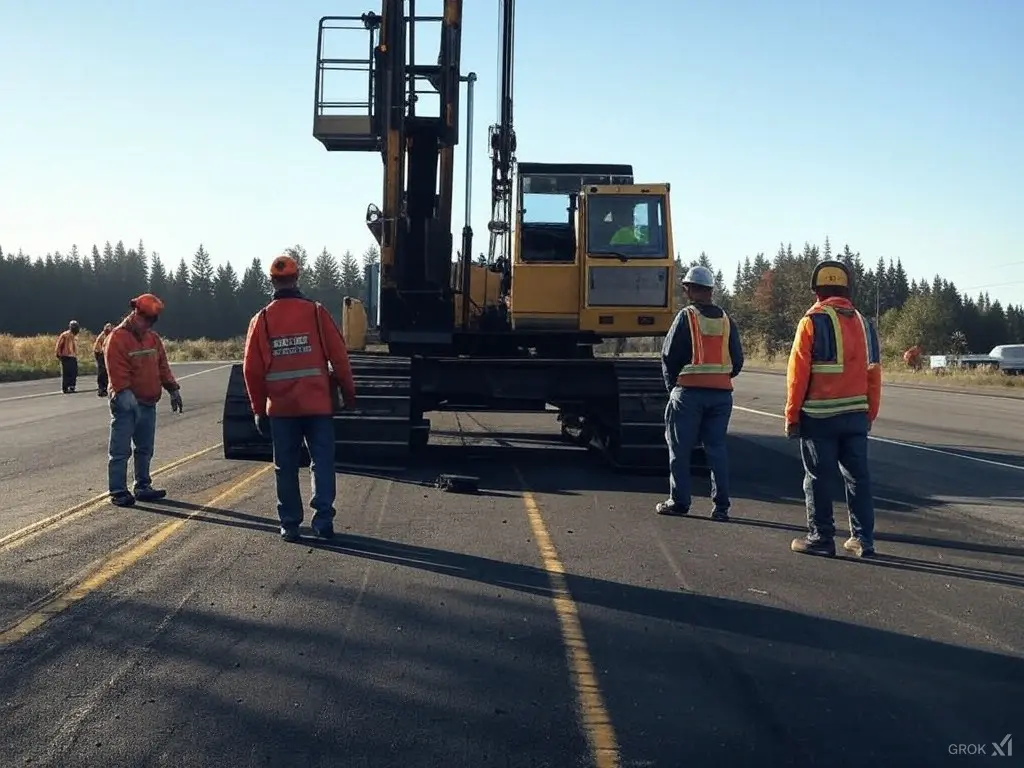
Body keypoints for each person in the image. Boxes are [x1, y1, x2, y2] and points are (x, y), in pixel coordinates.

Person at [242, 253, 357, 543]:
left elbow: (251, 370)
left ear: (272, 282)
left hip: (281, 409)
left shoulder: (262, 319)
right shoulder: (316, 313)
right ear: (297, 278)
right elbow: (340, 358)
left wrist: (258, 409)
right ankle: (323, 520)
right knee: (322, 461)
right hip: (317, 405)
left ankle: (290, 524)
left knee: (285, 466)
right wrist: (349, 393)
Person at [785, 259, 882, 558]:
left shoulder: (811, 321)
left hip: (819, 418)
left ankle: (821, 538)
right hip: (855, 415)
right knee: (858, 478)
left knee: (817, 478)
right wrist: (869, 414)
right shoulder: (865, 325)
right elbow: (874, 374)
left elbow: (797, 375)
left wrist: (792, 415)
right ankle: (863, 540)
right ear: (846, 290)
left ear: (817, 291)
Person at [656, 265, 743, 520]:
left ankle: (680, 501)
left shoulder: (687, 317)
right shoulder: (727, 320)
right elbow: (737, 361)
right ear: (711, 290)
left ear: (690, 289)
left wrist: (673, 388)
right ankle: (721, 508)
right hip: (721, 395)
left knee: (680, 450)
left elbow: (669, 356)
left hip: (689, 394)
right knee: (716, 449)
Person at [104, 294, 184, 507]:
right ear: (136, 313)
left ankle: (142, 486)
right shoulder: (117, 338)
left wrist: (173, 389)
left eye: (151, 321)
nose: (147, 324)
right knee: (120, 450)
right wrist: (123, 393)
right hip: (125, 403)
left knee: (145, 448)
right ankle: (118, 491)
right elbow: (116, 370)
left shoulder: (152, 339)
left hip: (148, 403)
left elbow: (162, 367)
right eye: (146, 319)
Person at [55, 320, 81, 393]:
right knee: (66, 372)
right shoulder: (65, 335)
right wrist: (58, 354)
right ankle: (65, 388)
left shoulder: (74, 336)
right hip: (65, 356)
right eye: (74, 327)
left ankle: (72, 386)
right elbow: (59, 345)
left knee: (74, 372)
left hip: (73, 356)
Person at [94, 322, 114, 396]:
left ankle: (106, 387)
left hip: (105, 353)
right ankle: (101, 388)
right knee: (102, 370)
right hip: (100, 353)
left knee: (107, 370)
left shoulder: (111, 335)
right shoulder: (102, 337)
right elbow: (98, 348)